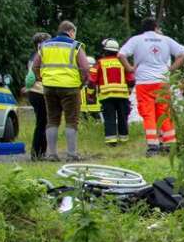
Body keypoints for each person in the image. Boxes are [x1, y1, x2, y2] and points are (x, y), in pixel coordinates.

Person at [122, 16, 184, 154]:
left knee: (148, 114)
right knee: (164, 112)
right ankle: (170, 143)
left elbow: (121, 54)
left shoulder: (136, 39)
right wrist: (172, 68)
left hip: (144, 83)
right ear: (155, 27)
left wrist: (129, 68)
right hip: (162, 82)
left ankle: (153, 146)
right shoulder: (166, 39)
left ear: (143, 28)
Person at [31, 21, 93, 162]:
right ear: (71, 31)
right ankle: (71, 154)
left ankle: (51, 154)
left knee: (52, 120)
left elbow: (35, 66)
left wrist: (42, 78)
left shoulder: (44, 46)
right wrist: (82, 83)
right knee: (72, 121)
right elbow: (84, 68)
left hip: (49, 87)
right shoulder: (75, 46)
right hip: (70, 88)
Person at [93, 39, 133, 145]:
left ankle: (111, 141)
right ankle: (124, 139)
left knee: (109, 118)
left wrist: (91, 92)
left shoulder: (100, 63)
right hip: (122, 95)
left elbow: (92, 79)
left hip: (107, 96)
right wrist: (129, 90)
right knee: (123, 117)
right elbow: (131, 79)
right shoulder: (123, 62)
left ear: (105, 50)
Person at [23, 32, 50, 160]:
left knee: (42, 122)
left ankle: (39, 152)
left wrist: (28, 87)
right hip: (40, 91)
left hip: (34, 92)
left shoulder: (33, 56)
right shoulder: (40, 56)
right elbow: (31, 77)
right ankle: (38, 153)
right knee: (43, 123)